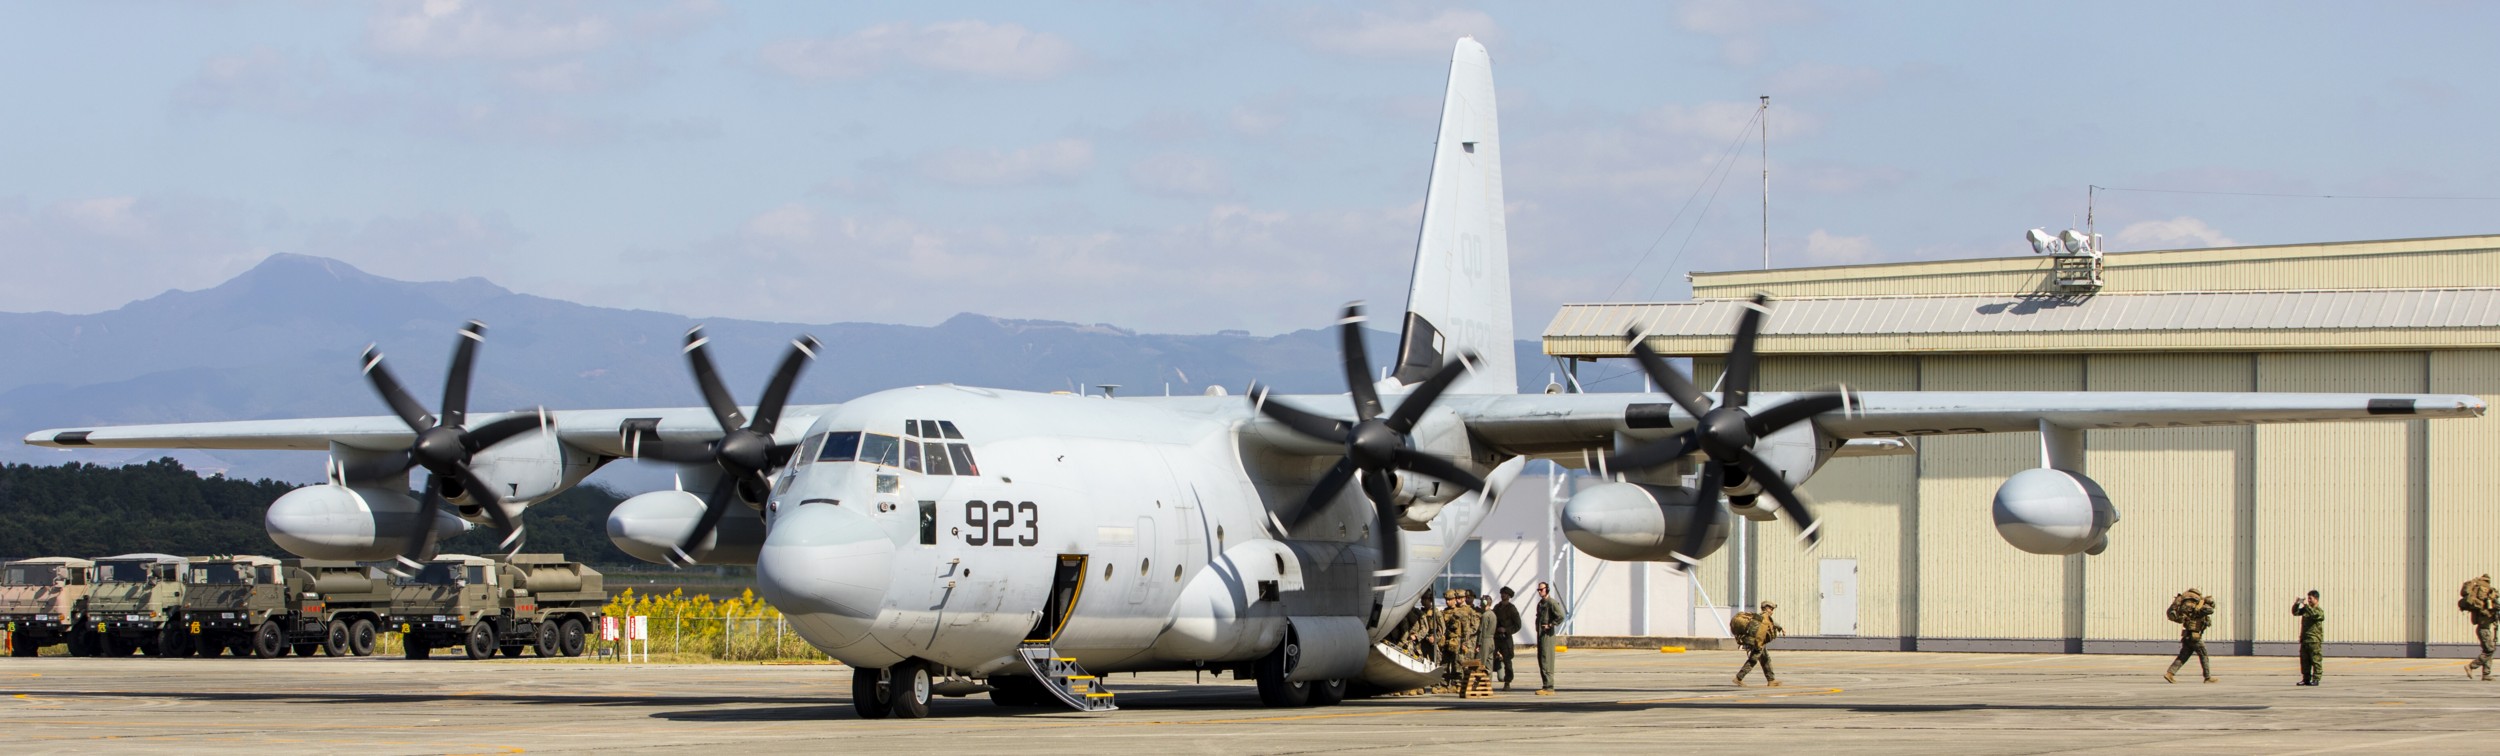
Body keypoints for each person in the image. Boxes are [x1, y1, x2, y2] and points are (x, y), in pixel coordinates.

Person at [2165, 588, 2218, 684]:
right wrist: (2206, 602)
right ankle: (2207, 677)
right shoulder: (2199, 609)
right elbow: (2210, 610)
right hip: (2195, 637)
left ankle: (2170, 674)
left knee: (2183, 656)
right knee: (2203, 655)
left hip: (2187, 636)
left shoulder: (2191, 609)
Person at [1734, 600, 1784, 687]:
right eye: (1771, 609)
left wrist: (1780, 628)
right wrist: (1781, 628)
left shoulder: (1759, 617)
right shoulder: (1763, 617)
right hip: (1758, 644)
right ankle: (1739, 678)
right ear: (1766, 608)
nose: (1772, 611)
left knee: (1766, 660)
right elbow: (1772, 624)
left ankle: (1771, 680)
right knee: (1753, 660)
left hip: (1760, 643)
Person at [2461, 574, 2497, 681]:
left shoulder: (2480, 605)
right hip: (2484, 630)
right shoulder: (2483, 606)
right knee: (2490, 650)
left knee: (2488, 650)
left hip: (2484, 629)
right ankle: (2471, 666)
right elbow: (2487, 612)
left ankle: (2486, 674)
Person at [1534, 581, 1566, 695]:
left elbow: (1561, 616)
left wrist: (1551, 625)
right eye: (1538, 590)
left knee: (1546, 659)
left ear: (1547, 590)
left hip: (1548, 635)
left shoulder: (1551, 603)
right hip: (1541, 635)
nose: (1539, 591)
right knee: (1541, 659)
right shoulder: (1541, 604)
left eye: (1541, 589)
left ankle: (1549, 686)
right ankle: (1545, 685)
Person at [2292, 590, 2325, 686]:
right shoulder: (2307, 610)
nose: (2309, 600)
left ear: (2316, 599)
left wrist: (2306, 606)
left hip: (2314, 640)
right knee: (2304, 660)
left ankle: (2316, 679)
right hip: (2305, 639)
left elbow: (2314, 614)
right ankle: (2306, 678)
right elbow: (2295, 612)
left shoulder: (2319, 611)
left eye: (2311, 598)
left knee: (2316, 660)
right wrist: (2297, 604)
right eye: (2308, 598)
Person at [1493, 587, 1523, 690]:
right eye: (1502, 593)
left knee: (1507, 661)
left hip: (1506, 639)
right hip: (1496, 638)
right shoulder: (1497, 607)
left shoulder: (1511, 609)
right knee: (1490, 658)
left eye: (1505, 594)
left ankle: (1507, 681)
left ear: (1509, 596)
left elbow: (1518, 625)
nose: (1503, 595)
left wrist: (1506, 630)